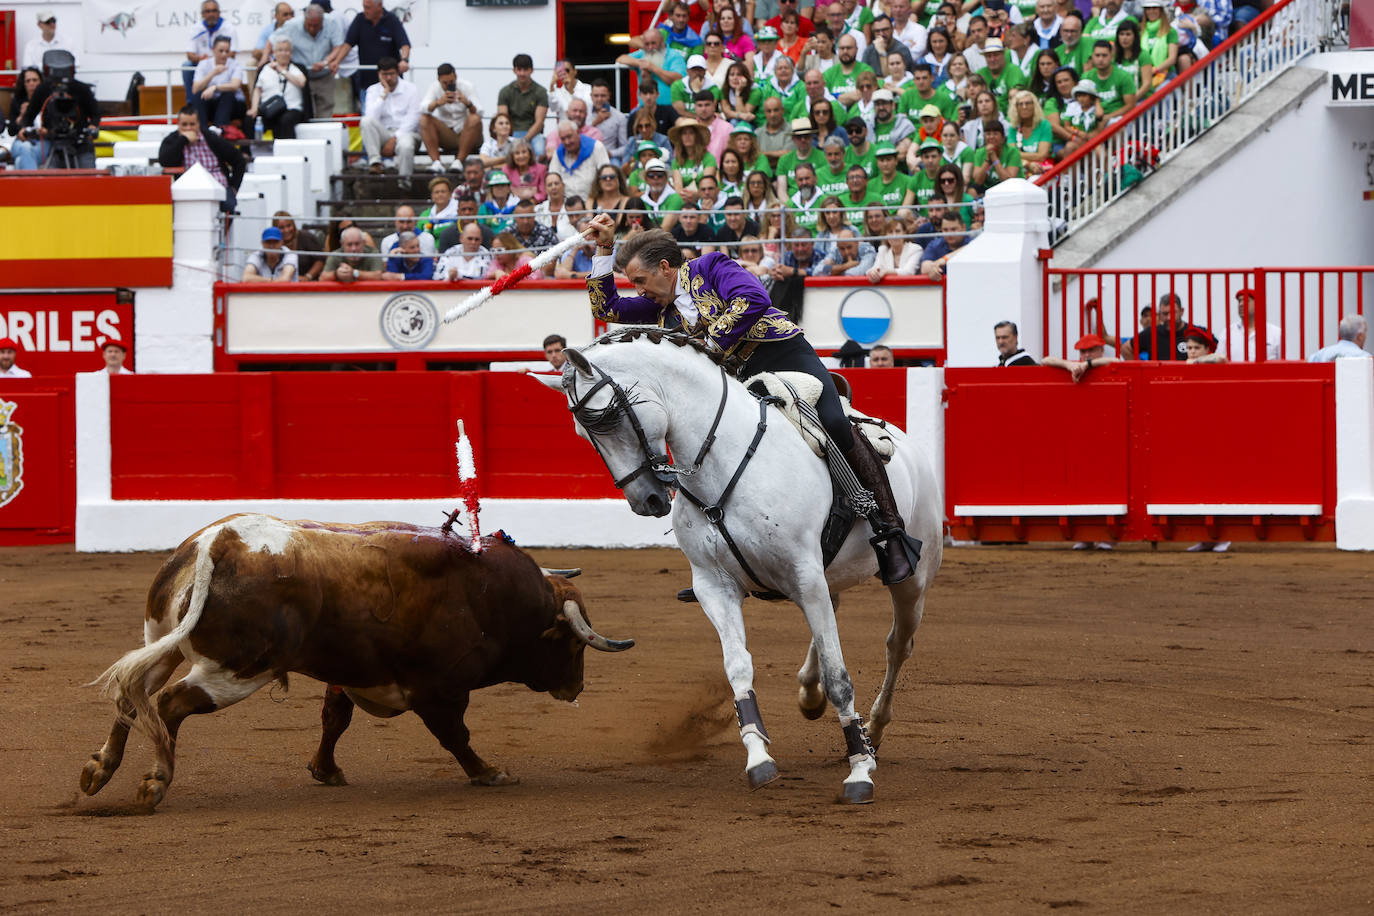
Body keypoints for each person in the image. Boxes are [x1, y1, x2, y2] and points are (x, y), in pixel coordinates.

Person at [581, 214, 922, 586]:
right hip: (734, 380)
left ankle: (888, 529)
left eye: (640, 281)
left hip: (782, 356)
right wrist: (603, 248)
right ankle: (721, 559)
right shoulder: (659, 306)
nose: (639, 290)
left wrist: (708, 349)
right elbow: (606, 308)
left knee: (835, 423)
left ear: (665, 268)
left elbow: (753, 298)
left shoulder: (710, 266)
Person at [158, 106, 245, 212]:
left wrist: (234, 188)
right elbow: (165, 161)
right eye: (184, 125)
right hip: (186, 190)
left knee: (229, 204)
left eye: (192, 124)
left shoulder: (211, 138)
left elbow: (239, 160)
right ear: (178, 125)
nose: (188, 128)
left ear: (198, 124)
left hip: (218, 187)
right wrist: (183, 140)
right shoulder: (171, 140)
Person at [329, 0, 410, 110]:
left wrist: (405, 60)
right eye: (364, 7)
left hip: (391, 82)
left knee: (395, 114)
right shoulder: (359, 19)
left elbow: (404, 44)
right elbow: (348, 44)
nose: (365, 11)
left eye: (368, 8)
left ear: (380, 6)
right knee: (368, 116)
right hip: (367, 83)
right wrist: (337, 62)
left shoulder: (392, 20)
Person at [271, 4, 342, 119]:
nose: (312, 29)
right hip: (302, 74)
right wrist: (265, 60)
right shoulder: (292, 25)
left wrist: (326, 62)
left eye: (316, 25)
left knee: (326, 109)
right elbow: (273, 41)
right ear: (305, 18)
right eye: (309, 25)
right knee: (306, 110)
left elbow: (339, 46)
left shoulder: (331, 22)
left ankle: (323, 134)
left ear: (322, 21)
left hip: (324, 75)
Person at [618, 29, 688, 132]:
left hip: (669, 112)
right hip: (644, 111)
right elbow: (621, 59)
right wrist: (640, 63)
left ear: (662, 42)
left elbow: (678, 80)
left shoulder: (674, 55)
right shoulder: (643, 54)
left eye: (653, 43)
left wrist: (653, 68)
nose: (650, 47)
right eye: (646, 44)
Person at [360, 57, 420, 176]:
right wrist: (384, 94)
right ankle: (375, 163)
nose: (388, 78)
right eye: (384, 74)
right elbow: (371, 117)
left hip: (407, 133)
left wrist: (395, 138)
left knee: (405, 146)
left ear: (398, 73)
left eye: (391, 74)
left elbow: (413, 119)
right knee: (366, 121)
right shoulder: (373, 90)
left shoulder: (411, 89)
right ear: (379, 74)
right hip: (385, 134)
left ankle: (404, 183)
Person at [420, 63, 484, 171]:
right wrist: (438, 103)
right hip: (447, 134)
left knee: (474, 119)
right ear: (439, 80)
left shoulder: (467, 86)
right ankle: (436, 163)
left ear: (456, 77)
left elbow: (480, 112)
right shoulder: (434, 87)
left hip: (468, 133)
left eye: (451, 82)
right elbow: (422, 108)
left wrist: (467, 103)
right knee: (424, 119)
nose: (449, 85)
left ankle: (459, 162)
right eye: (445, 83)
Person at [247, 40, 307, 140]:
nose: (283, 53)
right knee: (250, 120)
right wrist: (254, 108)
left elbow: (301, 82)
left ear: (291, 53)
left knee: (286, 120)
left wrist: (282, 71)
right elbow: (257, 90)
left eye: (286, 50)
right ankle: (248, 153)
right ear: (274, 53)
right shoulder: (265, 69)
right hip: (269, 109)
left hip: (290, 109)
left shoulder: (296, 68)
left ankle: (285, 151)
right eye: (280, 50)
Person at [183, 0, 236, 106]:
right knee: (186, 66)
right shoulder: (196, 28)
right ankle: (191, 102)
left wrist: (215, 58)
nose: (211, 14)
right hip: (201, 63)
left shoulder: (229, 28)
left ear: (219, 13)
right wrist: (200, 59)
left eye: (214, 11)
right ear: (202, 14)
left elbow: (232, 53)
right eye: (207, 11)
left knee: (232, 65)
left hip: (221, 63)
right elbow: (190, 54)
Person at [191, 35, 245, 130]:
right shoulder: (204, 64)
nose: (224, 54)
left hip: (233, 105)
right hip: (212, 104)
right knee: (198, 96)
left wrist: (215, 87)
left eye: (227, 51)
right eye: (221, 51)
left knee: (228, 95)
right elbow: (195, 89)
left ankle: (219, 132)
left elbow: (235, 86)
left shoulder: (235, 65)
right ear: (213, 50)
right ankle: (203, 132)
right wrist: (213, 73)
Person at [1225, 288, 1282, 362]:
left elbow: (1286, 363)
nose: (1241, 304)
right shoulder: (1228, 332)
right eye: (1239, 301)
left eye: (1246, 300)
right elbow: (1218, 361)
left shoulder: (1276, 333)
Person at [273, 211, 325, 281]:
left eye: (289, 225)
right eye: (281, 227)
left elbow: (320, 260)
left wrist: (307, 277)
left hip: (308, 284)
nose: (286, 230)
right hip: (282, 283)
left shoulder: (306, 236)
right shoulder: (273, 242)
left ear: (293, 225)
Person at [919, 211, 970, 279]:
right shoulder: (935, 245)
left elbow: (973, 247)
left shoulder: (973, 243)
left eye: (953, 229)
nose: (949, 233)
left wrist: (944, 259)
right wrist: (934, 268)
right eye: (945, 230)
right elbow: (924, 268)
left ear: (963, 227)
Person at [589, 81, 628, 165]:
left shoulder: (619, 117)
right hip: (587, 156)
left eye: (603, 95)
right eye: (596, 96)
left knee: (616, 167)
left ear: (609, 96)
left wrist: (611, 153)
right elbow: (578, 137)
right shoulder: (583, 113)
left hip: (610, 158)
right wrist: (595, 122)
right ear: (591, 96)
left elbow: (625, 147)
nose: (599, 99)